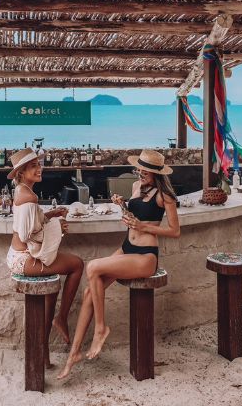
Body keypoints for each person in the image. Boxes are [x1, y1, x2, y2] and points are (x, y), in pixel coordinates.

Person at [58, 150, 180, 379]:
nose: (141, 173)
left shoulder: (165, 196)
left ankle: (101, 328)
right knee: (88, 292)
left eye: (146, 171)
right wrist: (122, 206)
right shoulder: (135, 186)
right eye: (140, 169)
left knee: (92, 267)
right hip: (127, 248)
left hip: (145, 256)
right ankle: (73, 354)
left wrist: (143, 226)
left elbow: (175, 231)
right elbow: (134, 217)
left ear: (156, 173)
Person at [5, 147, 84, 368]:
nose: (39, 169)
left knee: (54, 285)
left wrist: (50, 215)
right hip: (24, 259)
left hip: (18, 256)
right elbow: (27, 234)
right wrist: (58, 227)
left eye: (38, 165)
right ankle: (61, 318)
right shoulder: (29, 196)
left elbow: (29, 222)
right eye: (33, 166)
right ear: (21, 172)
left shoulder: (22, 191)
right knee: (77, 265)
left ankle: (44, 352)